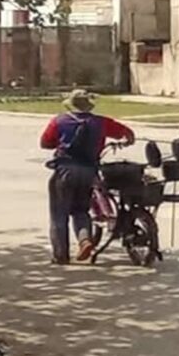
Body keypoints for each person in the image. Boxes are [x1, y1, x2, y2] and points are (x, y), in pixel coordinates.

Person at [40, 90, 135, 265]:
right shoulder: (101, 122)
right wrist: (127, 140)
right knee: (81, 210)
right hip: (88, 172)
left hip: (64, 170)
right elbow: (127, 133)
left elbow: (45, 142)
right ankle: (85, 240)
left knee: (59, 215)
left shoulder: (59, 121)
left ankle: (60, 256)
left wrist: (61, 141)